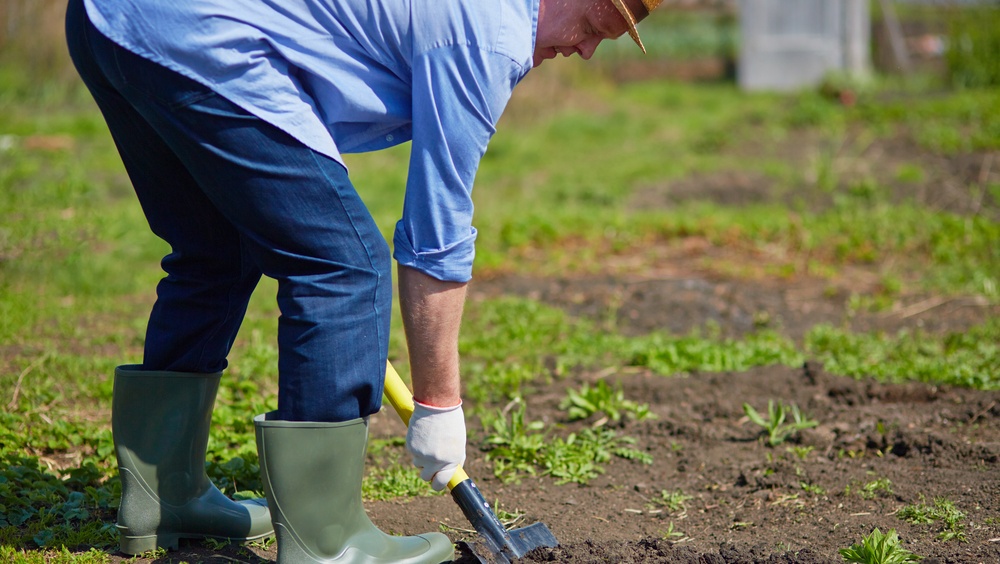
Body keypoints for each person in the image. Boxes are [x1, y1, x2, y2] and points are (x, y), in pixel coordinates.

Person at [65, 0, 660, 561]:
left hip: (113, 21)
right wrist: (439, 404)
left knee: (215, 247)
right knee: (343, 267)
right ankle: (327, 541)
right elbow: (436, 235)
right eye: (595, 25)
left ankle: (164, 497)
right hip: (196, 36)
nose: (586, 50)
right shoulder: (490, 36)